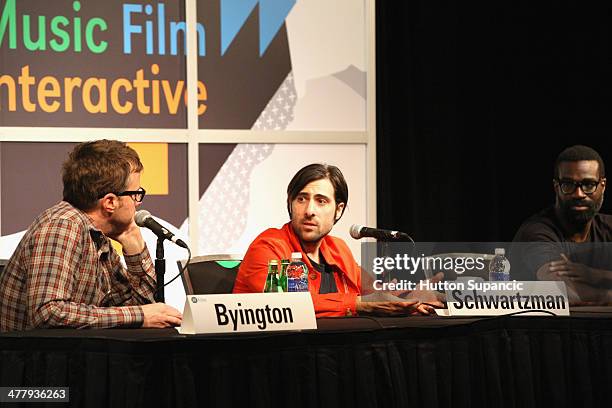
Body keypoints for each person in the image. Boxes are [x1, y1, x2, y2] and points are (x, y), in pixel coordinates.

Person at [0, 140, 182, 331]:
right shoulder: (63, 226)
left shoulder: (96, 236)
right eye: (136, 194)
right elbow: (48, 312)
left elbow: (145, 307)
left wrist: (132, 239)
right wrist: (140, 315)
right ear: (110, 202)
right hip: (29, 358)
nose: (138, 203)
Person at [233, 163, 438, 317]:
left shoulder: (338, 249)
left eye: (321, 201)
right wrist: (360, 305)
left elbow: (376, 294)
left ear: (338, 210)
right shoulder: (268, 246)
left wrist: (411, 298)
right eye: (301, 199)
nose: (309, 211)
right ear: (290, 203)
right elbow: (287, 307)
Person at [513, 145, 612, 304]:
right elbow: (564, 292)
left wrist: (594, 275)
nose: (578, 194)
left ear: (603, 185)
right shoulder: (536, 232)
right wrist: (606, 295)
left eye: (588, 185)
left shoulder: (608, 226)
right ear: (556, 187)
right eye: (568, 184)